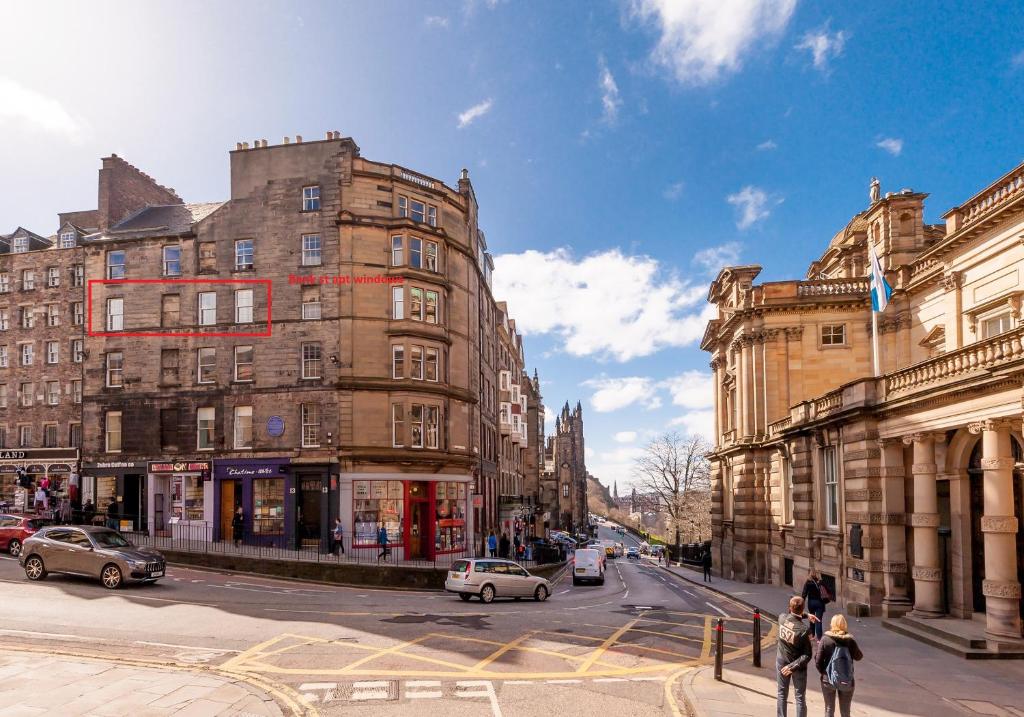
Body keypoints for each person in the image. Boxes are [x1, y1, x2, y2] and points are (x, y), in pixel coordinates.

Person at [815, 614, 863, 717]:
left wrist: (824, 673)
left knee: (829, 709)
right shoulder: (850, 640)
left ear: (832, 624)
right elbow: (859, 656)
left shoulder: (825, 639)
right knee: (845, 712)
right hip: (846, 679)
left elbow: (818, 660)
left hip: (828, 680)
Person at [777, 595, 817, 717]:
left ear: (790, 608)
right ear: (803, 608)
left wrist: (805, 615)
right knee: (799, 697)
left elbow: (791, 614)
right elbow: (807, 655)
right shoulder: (804, 630)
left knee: (782, 694)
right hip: (797, 666)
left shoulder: (782, 618)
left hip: (782, 660)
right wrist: (792, 667)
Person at [801, 570, 829, 641]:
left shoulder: (808, 582)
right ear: (818, 574)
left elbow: (804, 594)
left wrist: (802, 603)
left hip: (811, 603)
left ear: (810, 574)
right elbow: (828, 590)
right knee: (818, 620)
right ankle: (819, 639)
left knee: (812, 619)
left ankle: (812, 635)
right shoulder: (821, 582)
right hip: (820, 603)